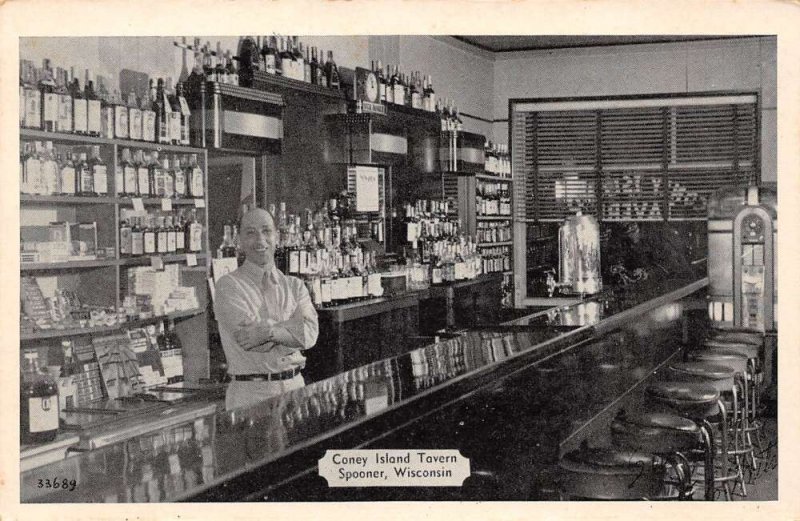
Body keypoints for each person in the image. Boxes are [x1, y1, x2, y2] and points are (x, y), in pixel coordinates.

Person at [213, 207, 319, 410]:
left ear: (277, 237)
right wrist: (289, 329)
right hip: (252, 395)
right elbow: (250, 340)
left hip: (296, 391)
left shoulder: (295, 286)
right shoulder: (228, 285)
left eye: (266, 231)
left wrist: (269, 331)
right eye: (250, 233)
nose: (260, 240)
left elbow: (309, 335)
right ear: (239, 240)